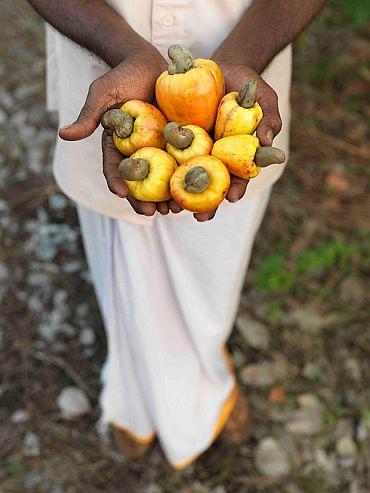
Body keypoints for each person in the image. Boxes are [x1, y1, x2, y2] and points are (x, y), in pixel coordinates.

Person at [28, 0, 327, 469]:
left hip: (247, 44)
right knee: (117, 247)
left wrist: (248, 53)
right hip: (101, 53)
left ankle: (204, 369)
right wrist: (122, 50)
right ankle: (134, 394)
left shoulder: (235, 128)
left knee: (215, 261)